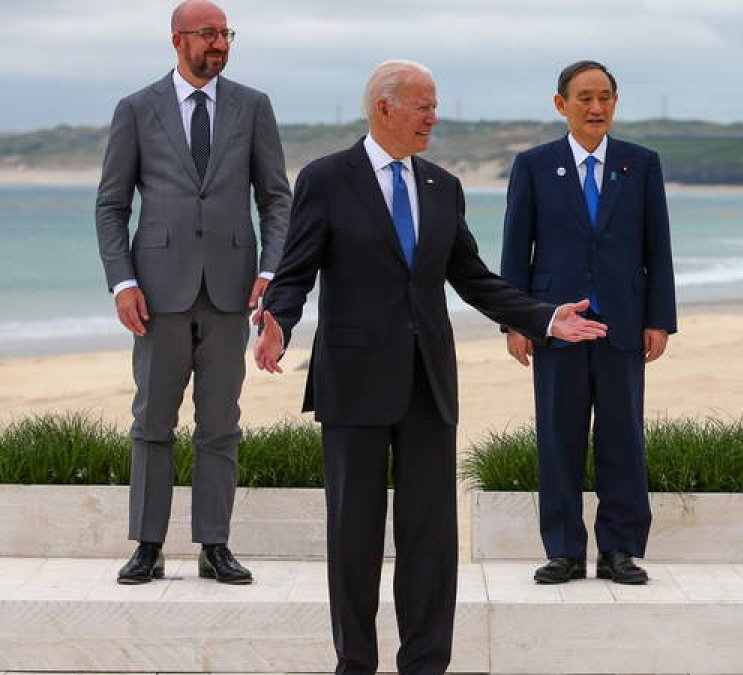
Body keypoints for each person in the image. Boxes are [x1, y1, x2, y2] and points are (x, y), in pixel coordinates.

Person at [253, 60, 606, 675]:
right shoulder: (326, 178)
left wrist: (545, 318)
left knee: (431, 541)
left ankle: (425, 665)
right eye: (423, 106)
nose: (433, 118)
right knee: (354, 538)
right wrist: (278, 320)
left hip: (429, 384)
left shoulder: (443, 185)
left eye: (434, 106)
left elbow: (473, 278)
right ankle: (355, 663)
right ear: (384, 108)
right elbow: (297, 267)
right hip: (354, 382)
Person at [95, 0, 291, 585]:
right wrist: (123, 281)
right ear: (177, 40)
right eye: (208, 34)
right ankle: (148, 545)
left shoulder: (253, 106)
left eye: (226, 33)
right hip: (156, 294)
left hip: (233, 291)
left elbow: (275, 199)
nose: (220, 44)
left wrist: (272, 270)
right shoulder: (136, 109)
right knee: (152, 421)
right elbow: (111, 206)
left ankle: (215, 545)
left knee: (220, 423)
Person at [499, 60, 676, 585]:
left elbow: (658, 247)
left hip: (623, 323)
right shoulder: (534, 165)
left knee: (623, 439)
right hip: (557, 326)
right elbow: (517, 248)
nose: (596, 108)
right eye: (585, 98)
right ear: (562, 105)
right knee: (559, 439)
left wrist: (659, 319)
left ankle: (619, 549)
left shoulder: (641, 164)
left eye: (605, 98)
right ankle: (564, 551)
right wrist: (517, 321)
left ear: (615, 103)